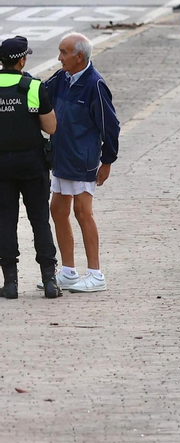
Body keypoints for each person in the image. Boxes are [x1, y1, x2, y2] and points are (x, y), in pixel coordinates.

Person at [36, 32, 114, 294]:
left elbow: (110, 125)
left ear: (79, 56)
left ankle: (95, 274)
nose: (59, 58)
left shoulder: (95, 84)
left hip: (83, 159)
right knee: (58, 210)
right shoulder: (61, 78)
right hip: (61, 155)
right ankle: (68, 271)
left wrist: (107, 160)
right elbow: (39, 94)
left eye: (63, 53)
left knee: (83, 212)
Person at [0, 36, 58, 298]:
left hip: (1, 164)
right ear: (21, 60)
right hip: (32, 163)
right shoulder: (33, 87)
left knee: (5, 221)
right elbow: (51, 127)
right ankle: (49, 281)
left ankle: (10, 283)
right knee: (39, 221)